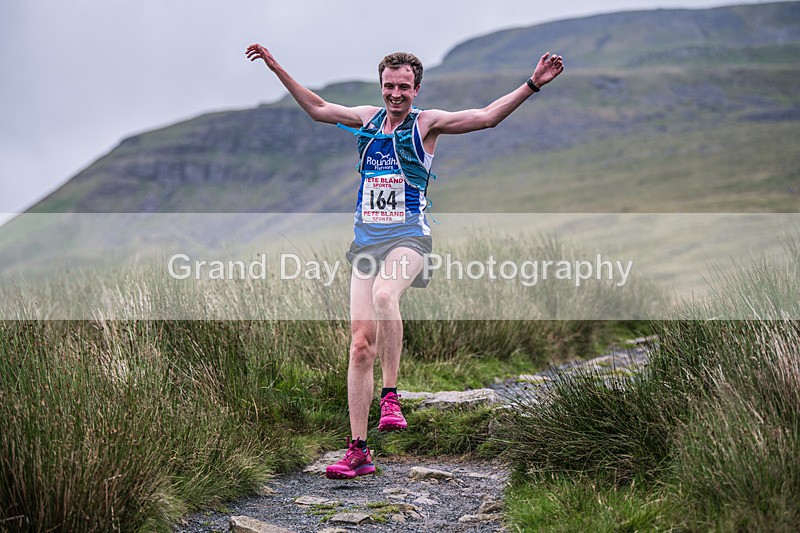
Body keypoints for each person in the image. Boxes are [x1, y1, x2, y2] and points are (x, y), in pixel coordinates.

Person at [246, 43, 564, 479]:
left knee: (383, 294)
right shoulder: (365, 120)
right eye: (389, 86)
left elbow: (487, 116)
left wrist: (532, 85)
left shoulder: (427, 125)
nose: (396, 94)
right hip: (365, 244)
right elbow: (318, 108)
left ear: (417, 89)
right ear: (381, 86)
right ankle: (358, 451)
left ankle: (391, 395)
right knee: (359, 346)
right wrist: (274, 65)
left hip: (410, 238)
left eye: (404, 87)